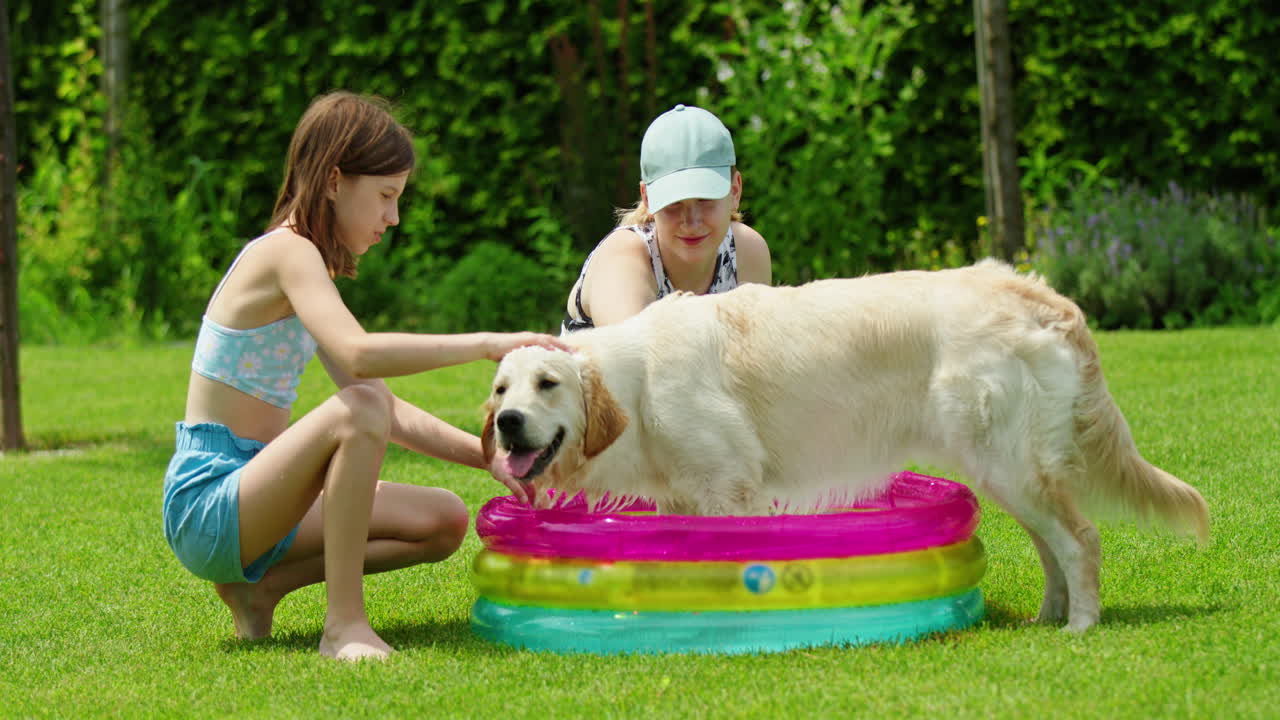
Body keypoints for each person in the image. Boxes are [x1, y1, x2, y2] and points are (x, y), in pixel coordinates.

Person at [161, 91, 566, 662]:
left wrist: (491, 458)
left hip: (262, 500)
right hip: (210, 504)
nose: (392, 218)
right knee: (357, 411)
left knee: (444, 519)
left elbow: (386, 407)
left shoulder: (309, 268)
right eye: (385, 196)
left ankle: (260, 590)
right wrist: (484, 344)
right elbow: (358, 358)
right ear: (334, 181)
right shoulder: (287, 253)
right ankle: (343, 627)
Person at [561, 104, 771, 333]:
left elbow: (756, 353)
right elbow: (633, 354)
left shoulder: (747, 252)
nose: (691, 222)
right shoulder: (623, 259)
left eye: (705, 199)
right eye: (674, 203)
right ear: (647, 198)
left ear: (735, 191)